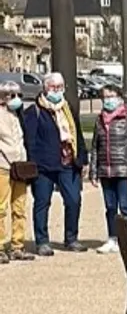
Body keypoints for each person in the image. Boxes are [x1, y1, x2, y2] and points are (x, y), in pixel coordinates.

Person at [23, 72, 89, 256]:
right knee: (42, 203)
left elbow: (78, 134)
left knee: (74, 200)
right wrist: (34, 163)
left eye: (60, 87)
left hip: (68, 162)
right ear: (45, 88)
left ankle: (71, 238)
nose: (58, 91)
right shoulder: (35, 111)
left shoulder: (67, 108)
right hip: (44, 166)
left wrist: (83, 159)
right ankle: (42, 241)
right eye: (54, 87)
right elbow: (30, 140)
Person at [89, 84, 127, 254]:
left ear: (119, 97)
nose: (108, 100)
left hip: (123, 170)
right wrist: (93, 172)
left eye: (111, 96)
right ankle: (112, 237)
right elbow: (95, 147)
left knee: (125, 206)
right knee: (110, 207)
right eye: (105, 97)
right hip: (106, 170)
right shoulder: (100, 119)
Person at [0, 81, 33, 264]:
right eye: (12, 96)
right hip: (3, 165)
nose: (17, 99)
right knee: (1, 207)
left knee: (19, 207)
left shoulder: (17, 114)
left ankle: (17, 244)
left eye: (18, 95)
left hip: (20, 166)